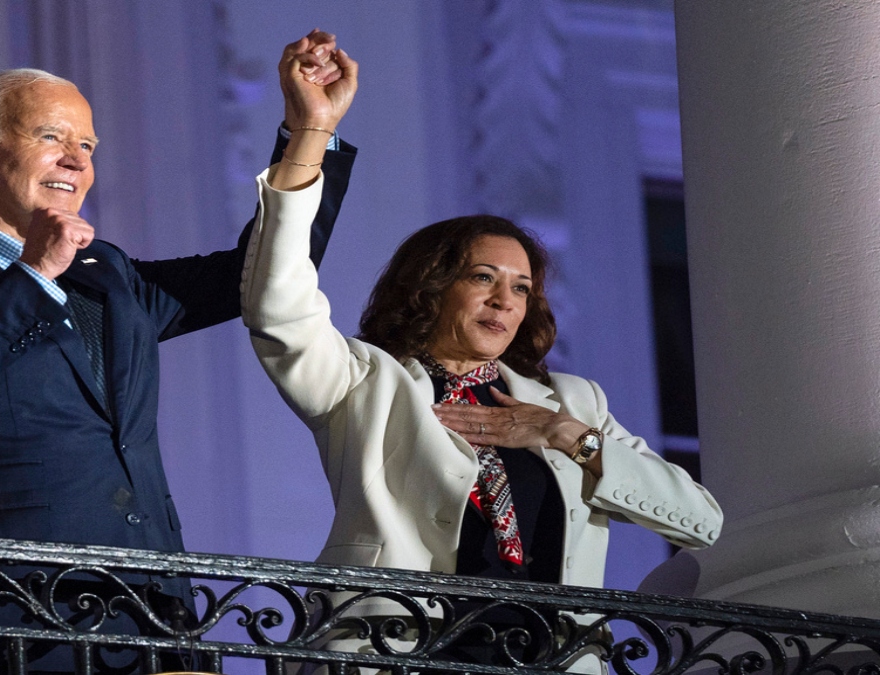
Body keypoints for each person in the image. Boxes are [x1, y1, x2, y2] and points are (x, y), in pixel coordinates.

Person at [0, 31, 356, 673]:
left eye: (86, 146)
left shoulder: (105, 273)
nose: (77, 161)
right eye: (52, 138)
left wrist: (308, 132)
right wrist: (30, 277)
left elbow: (261, 275)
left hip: (148, 619)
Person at [242, 54, 721, 673]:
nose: (505, 299)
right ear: (432, 286)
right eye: (483, 277)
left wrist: (567, 437)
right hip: (403, 657)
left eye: (522, 287)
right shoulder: (367, 383)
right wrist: (310, 133)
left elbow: (705, 525)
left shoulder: (574, 403)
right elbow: (278, 308)